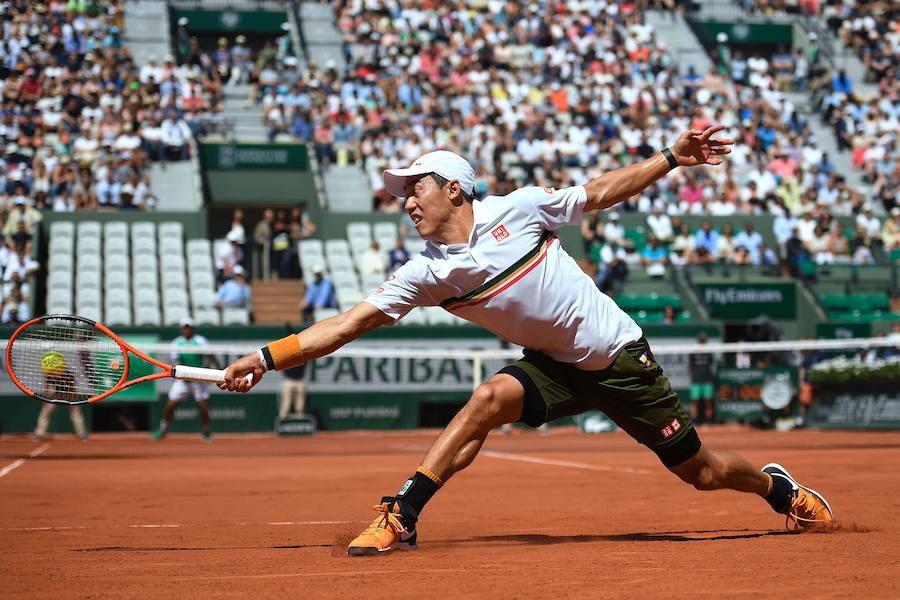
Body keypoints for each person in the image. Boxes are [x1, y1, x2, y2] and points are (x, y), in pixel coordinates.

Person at [218, 128, 833, 557]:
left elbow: (600, 192)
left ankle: (780, 490)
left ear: (453, 189)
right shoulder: (424, 273)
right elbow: (345, 326)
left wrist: (673, 157)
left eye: (415, 188)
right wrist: (266, 357)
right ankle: (401, 514)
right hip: (552, 368)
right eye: (402, 193)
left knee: (702, 473)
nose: (406, 201)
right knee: (487, 399)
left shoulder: (521, 209)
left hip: (620, 359)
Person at [152, 319, 213, 443]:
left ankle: (206, 430)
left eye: (189, 327)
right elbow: (175, 361)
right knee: (170, 405)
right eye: (185, 328)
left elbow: (209, 357)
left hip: (198, 379)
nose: (187, 330)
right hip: (182, 380)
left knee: (203, 407)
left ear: (192, 328)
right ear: (182, 329)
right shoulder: (177, 343)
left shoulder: (201, 341)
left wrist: (205, 370)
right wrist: (183, 375)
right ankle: (163, 429)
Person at [33, 366, 88, 442]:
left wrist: (74, 399)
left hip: (68, 394)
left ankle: (82, 434)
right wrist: (46, 401)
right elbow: (47, 388)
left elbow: (73, 388)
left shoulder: (68, 374)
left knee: (76, 412)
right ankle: (39, 434)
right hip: (55, 394)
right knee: (46, 412)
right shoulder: (49, 375)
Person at [688, 332, 716, 426]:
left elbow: (712, 365)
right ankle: (694, 421)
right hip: (696, 380)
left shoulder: (709, 352)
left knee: (708, 401)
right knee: (694, 401)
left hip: (707, 380)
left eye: (703, 340)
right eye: (701, 340)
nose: (702, 342)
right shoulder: (693, 352)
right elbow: (690, 366)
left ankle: (708, 421)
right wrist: (693, 376)